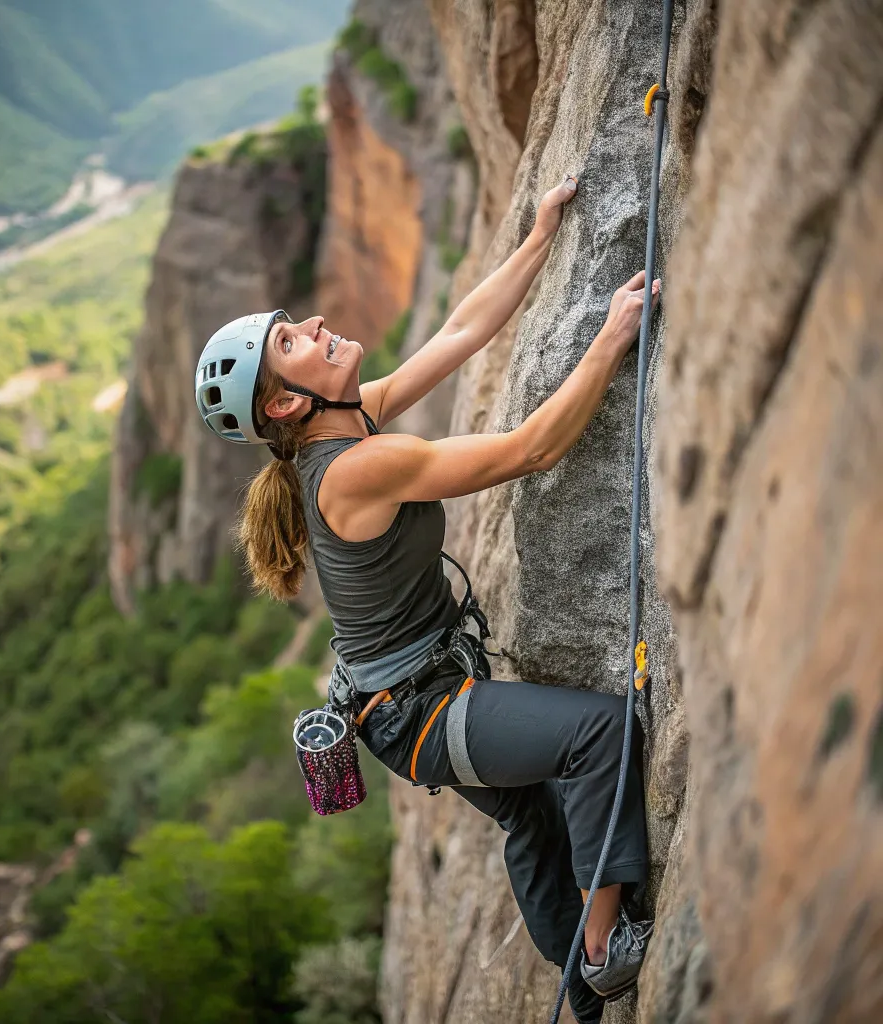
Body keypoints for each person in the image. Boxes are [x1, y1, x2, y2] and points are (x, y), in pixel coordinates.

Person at [195, 175, 656, 1022]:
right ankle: (601, 954)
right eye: (295, 340)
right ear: (289, 401)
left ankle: (578, 996)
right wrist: (614, 336)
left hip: (404, 700)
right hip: (421, 712)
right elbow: (530, 449)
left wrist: (540, 235)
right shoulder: (357, 466)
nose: (318, 327)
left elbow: (459, 332)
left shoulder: (346, 422)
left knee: (529, 817)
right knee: (601, 734)